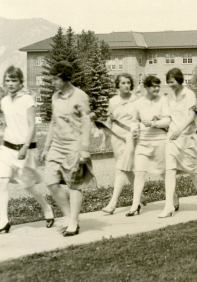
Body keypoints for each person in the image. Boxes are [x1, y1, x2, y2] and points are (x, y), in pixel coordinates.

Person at [41, 61, 96, 236]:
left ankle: (73, 223)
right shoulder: (55, 96)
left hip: (74, 145)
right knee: (50, 180)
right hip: (57, 145)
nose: (52, 82)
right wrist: (46, 147)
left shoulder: (80, 96)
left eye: (55, 79)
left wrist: (84, 148)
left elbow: (87, 122)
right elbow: (53, 122)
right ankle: (69, 215)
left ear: (65, 78)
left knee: (74, 185)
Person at [0, 66, 54, 234]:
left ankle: (47, 208)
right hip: (7, 147)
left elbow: (32, 125)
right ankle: (3, 222)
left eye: (14, 80)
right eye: (7, 80)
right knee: (1, 183)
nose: (10, 84)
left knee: (28, 186)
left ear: (20, 82)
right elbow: (7, 123)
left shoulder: (27, 99)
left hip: (25, 149)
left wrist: (24, 146)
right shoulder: (4, 101)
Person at [159, 68, 197, 217]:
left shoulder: (189, 94)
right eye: (168, 83)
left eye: (172, 82)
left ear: (179, 80)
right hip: (172, 138)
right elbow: (168, 118)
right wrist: (154, 122)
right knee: (170, 170)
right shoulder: (168, 97)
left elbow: (192, 116)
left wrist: (180, 129)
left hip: (187, 137)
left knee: (192, 171)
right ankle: (168, 206)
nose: (170, 85)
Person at [128, 75, 171, 217]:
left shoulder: (164, 100)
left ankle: (173, 199)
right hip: (143, 141)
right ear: (146, 87)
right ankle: (135, 205)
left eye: (158, 86)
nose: (157, 88)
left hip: (160, 140)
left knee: (164, 172)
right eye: (153, 86)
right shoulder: (138, 103)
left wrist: (154, 123)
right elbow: (134, 120)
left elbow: (167, 120)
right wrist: (134, 130)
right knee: (139, 172)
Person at [102, 74, 139, 214]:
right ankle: (140, 198)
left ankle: (112, 204)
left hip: (130, 136)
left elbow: (139, 119)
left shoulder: (136, 100)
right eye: (123, 83)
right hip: (115, 137)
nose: (126, 85)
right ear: (118, 85)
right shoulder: (113, 101)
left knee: (121, 169)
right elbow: (109, 120)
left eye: (128, 82)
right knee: (127, 170)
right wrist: (104, 140)